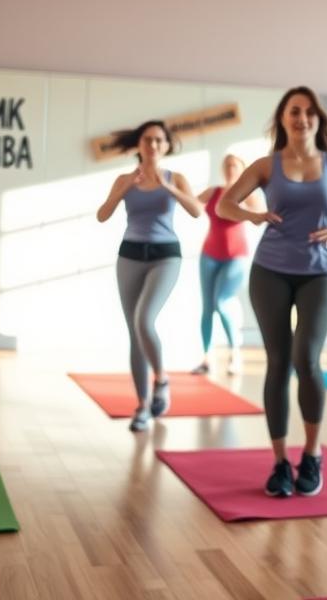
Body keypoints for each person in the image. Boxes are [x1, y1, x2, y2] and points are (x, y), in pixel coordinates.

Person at [216, 86, 327, 498]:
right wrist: (252, 215)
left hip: (319, 272)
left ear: (318, 121)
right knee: (278, 361)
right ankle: (280, 461)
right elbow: (224, 205)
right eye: (294, 112)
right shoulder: (267, 165)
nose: (301, 118)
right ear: (283, 119)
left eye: (308, 113)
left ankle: (313, 453)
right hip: (269, 270)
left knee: (308, 358)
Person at [96, 120, 202, 432]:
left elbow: (196, 210)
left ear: (166, 146)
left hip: (165, 255)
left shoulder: (176, 178)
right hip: (130, 254)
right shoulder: (124, 178)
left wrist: (168, 188)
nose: (153, 145)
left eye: (159, 140)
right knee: (135, 332)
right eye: (147, 140)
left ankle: (163, 379)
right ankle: (142, 406)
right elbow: (103, 215)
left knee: (145, 320)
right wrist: (126, 188)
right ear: (139, 145)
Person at [194, 153, 263, 376]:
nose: (230, 168)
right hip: (209, 255)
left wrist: (245, 205)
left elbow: (260, 214)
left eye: (234, 165)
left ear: (242, 168)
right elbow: (191, 204)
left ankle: (235, 353)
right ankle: (206, 358)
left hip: (236, 256)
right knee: (207, 307)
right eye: (227, 165)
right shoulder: (214, 192)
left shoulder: (247, 194)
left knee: (222, 303)